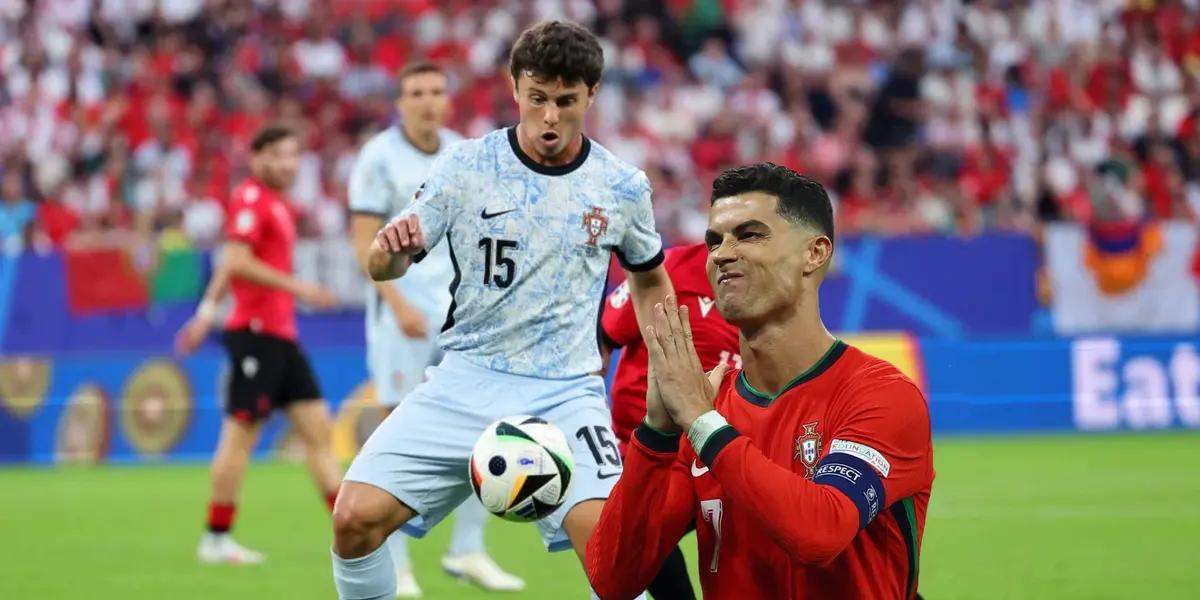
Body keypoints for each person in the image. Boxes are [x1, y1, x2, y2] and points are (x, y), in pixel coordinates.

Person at [331, 20, 673, 600]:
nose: (549, 117)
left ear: (591, 94)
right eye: (537, 98)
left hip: (565, 393)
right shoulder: (466, 167)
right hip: (464, 380)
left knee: (616, 557)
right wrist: (388, 252)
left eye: (566, 101)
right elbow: (384, 264)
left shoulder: (621, 186)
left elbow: (650, 276)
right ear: (514, 88)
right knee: (353, 519)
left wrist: (671, 361)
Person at [586, 163, 935, 599]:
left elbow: (819, 533)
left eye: (750, 235)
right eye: (715, 241)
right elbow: (613, 580)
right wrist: (656, 435)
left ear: (815, 253)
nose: (721, 254)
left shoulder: (880, 395)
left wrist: (702, 422)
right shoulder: (707, 409)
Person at [347, 61, 524, 596]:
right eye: (417, 92)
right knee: (393, 433)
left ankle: (467, 549)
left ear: (448, 99)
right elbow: (363, 241)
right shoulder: (378, 157)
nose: (428, 101)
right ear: (400, 103)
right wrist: (397, 301)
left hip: (459, 315)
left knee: (485, 427)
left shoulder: (461, 154)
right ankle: (396, 564)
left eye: (436, 91)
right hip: (401, 316)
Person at [176, 125, 341, 565]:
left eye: (292, 156)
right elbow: (236, 260)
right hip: (255, 334)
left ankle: (354, 531)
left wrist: (204, 313)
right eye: (278, 155)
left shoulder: (276, 204)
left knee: (319, 432)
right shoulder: (250, 198)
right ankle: (215, 538)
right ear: (257, 159)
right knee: (240, 436)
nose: (287, 164)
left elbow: (230, 266)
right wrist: (300, 288)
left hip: (281, 336)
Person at [598, 241, 741, 600]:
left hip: (716, 450)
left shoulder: (771, 291)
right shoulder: (671, 269)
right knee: (642, 540)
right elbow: (603, 337)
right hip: (647, 448)